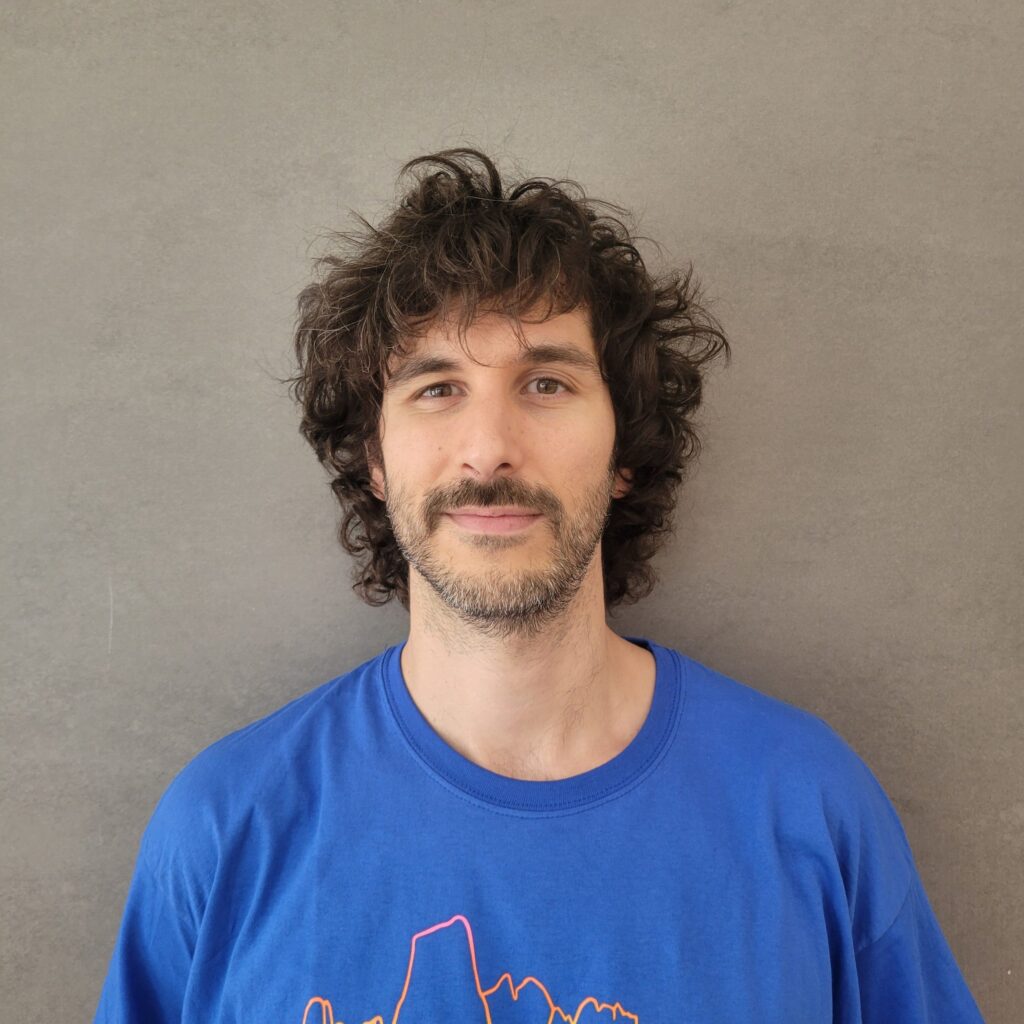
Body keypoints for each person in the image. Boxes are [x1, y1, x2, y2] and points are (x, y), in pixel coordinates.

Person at [94, 149, 985, 1023]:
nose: (489, 450)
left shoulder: (809, 807)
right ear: (374, 457)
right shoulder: (226, 828)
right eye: (436, 389)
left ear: (625, 449)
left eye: (547, 383)